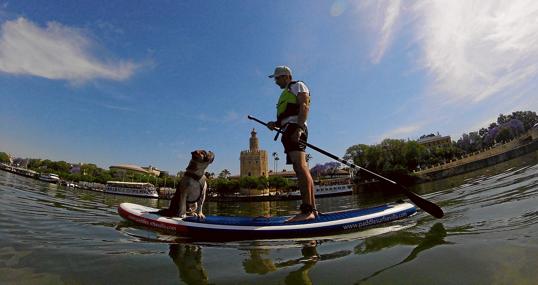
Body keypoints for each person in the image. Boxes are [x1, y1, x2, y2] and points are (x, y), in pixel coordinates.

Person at [267, 66, 316, 222]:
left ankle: (307, 211)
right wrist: (275, 124)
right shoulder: (285, 93)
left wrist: (299, 128)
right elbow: (287, 116)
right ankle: (312, 209)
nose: (275, 81)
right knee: (299, 167)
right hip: (288, 129)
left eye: (277, 78)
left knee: (300, 167)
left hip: (296, 128)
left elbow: (304, 106)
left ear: (286, 76)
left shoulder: (298, 86)